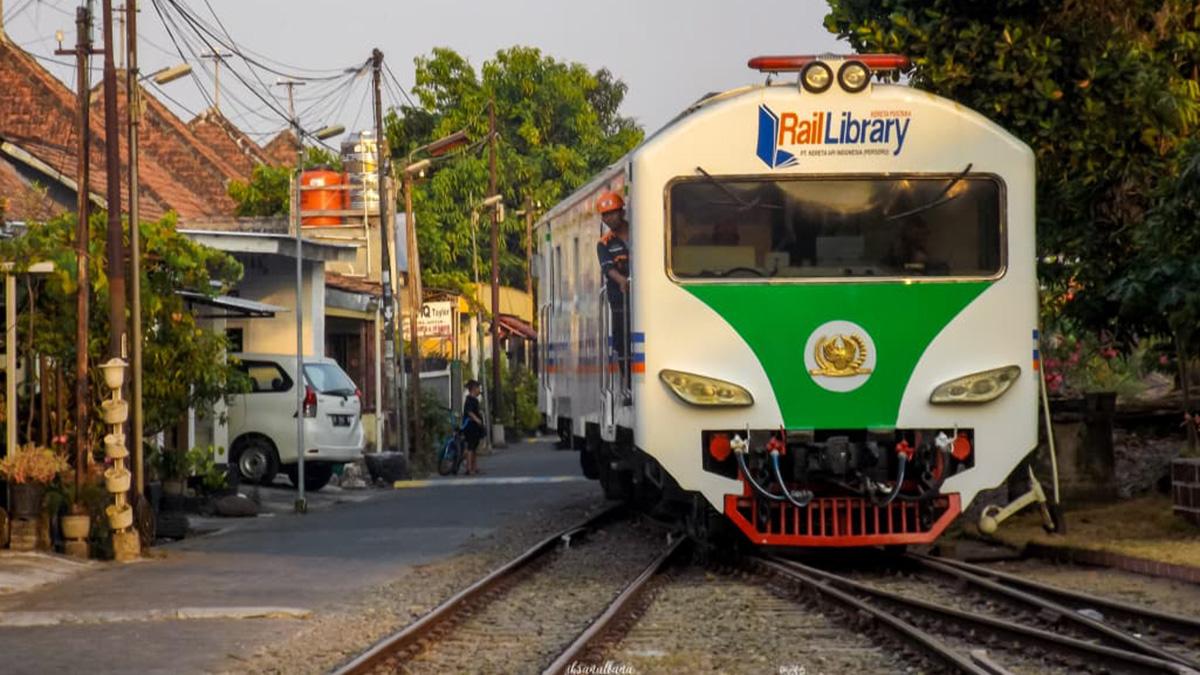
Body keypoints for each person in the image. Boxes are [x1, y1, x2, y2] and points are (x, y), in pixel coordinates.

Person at [596, 190, 631, 393]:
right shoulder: (604, 244)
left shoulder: (640, 233)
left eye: (612, 213)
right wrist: (622, 281)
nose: (608, 218)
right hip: (620, 301)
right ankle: (627, 385)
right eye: (605, 215)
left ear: (621, 212)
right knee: (622, 341)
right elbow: (608, 269)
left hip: (644, 298)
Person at [462, 380, 486, 475]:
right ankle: (469, 468)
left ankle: (474, 467)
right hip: (470, 426)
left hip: (475, 427)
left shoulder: (474, 400)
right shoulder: (469, 400)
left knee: (474, 447)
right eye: (478, 388)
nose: (479, 390)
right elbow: (469, 412)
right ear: (473, 389)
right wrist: (477, 420)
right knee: (470, 447)